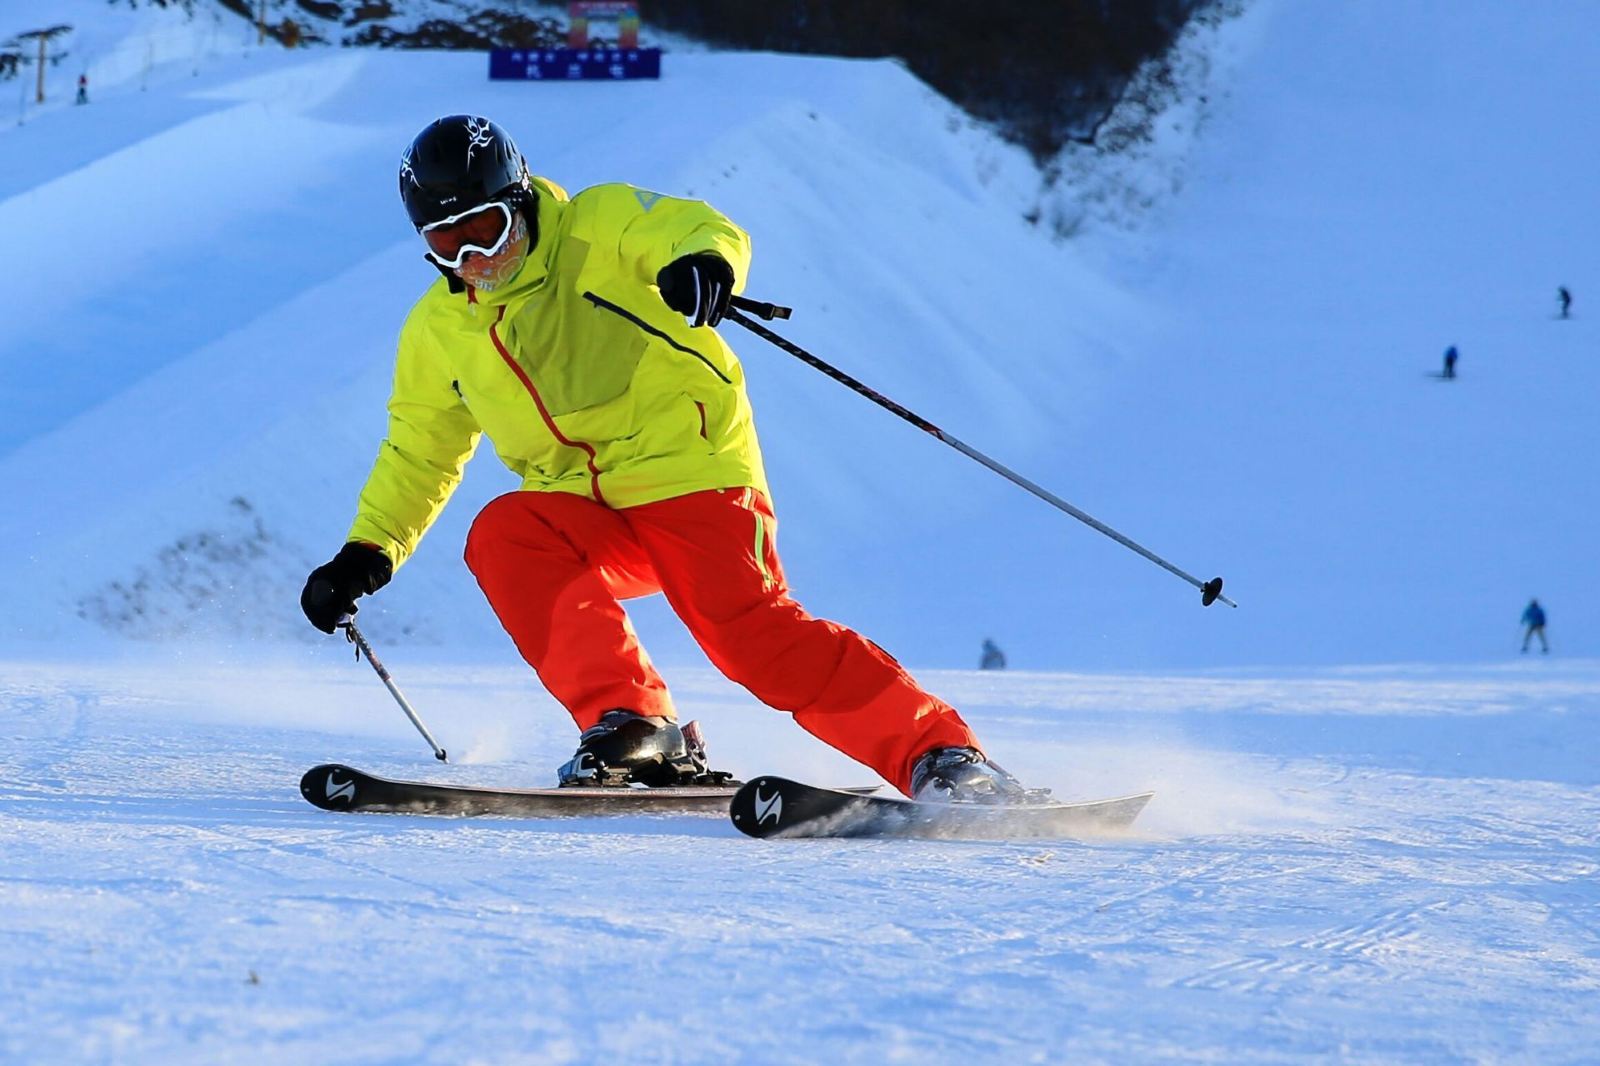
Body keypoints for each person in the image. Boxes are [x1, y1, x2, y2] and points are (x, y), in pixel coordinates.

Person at [299, 115, 1030, 803]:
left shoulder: (597, 224)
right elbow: (419, 448)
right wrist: (368, 551)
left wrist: (703, 264)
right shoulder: (438, 330)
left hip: (690, 474)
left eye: (486, 229)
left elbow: (692, 226)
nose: (476, 258)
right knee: (504, 533)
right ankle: (635, 725)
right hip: (585, 510)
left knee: (752, 638)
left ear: (519, 202)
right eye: (448, 243)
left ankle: (941, 754)